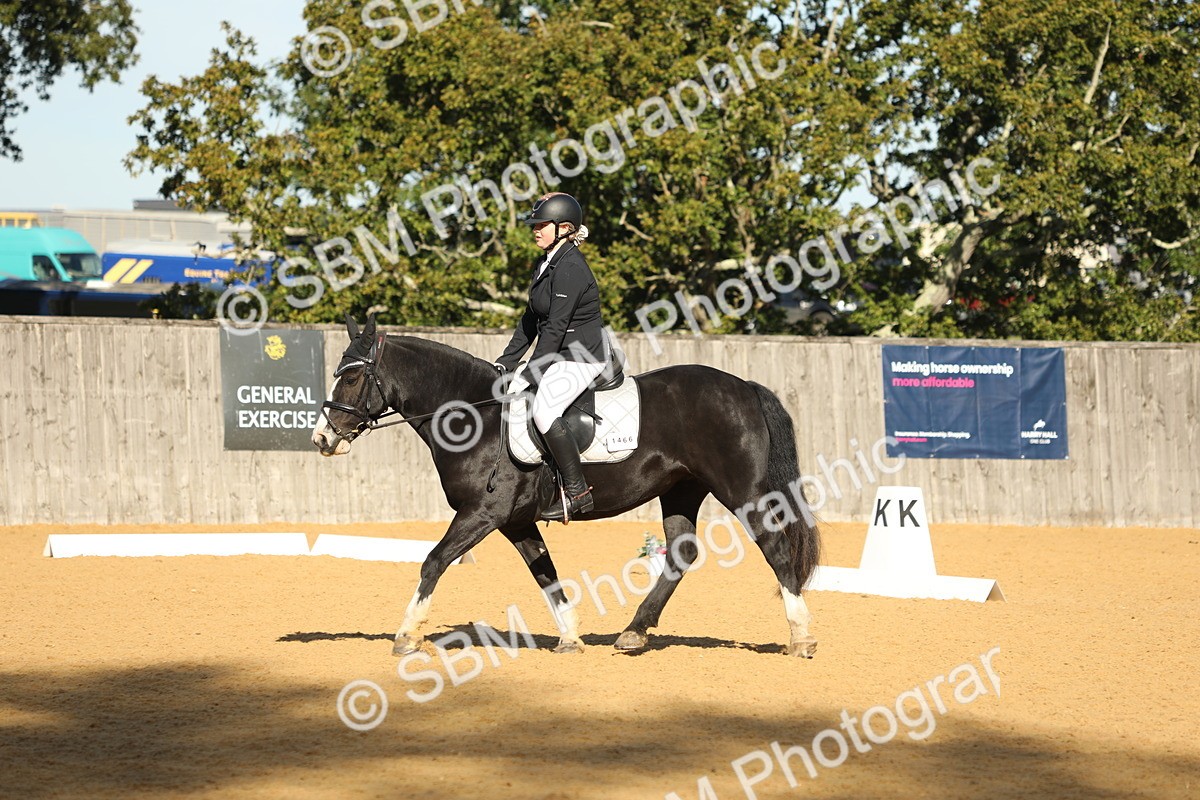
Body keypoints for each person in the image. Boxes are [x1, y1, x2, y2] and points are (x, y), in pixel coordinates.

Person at [494, 192, 607, 521]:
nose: (535, 229)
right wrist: (507, 362)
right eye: (535, 223)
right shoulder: (546, 262)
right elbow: (530, 320)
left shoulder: (571, 266)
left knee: (543, 411)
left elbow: (555, 327)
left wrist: (530, 373)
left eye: (542, 224)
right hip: (560, 355)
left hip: (582, 357)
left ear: (565, 228)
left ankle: (577, 492)